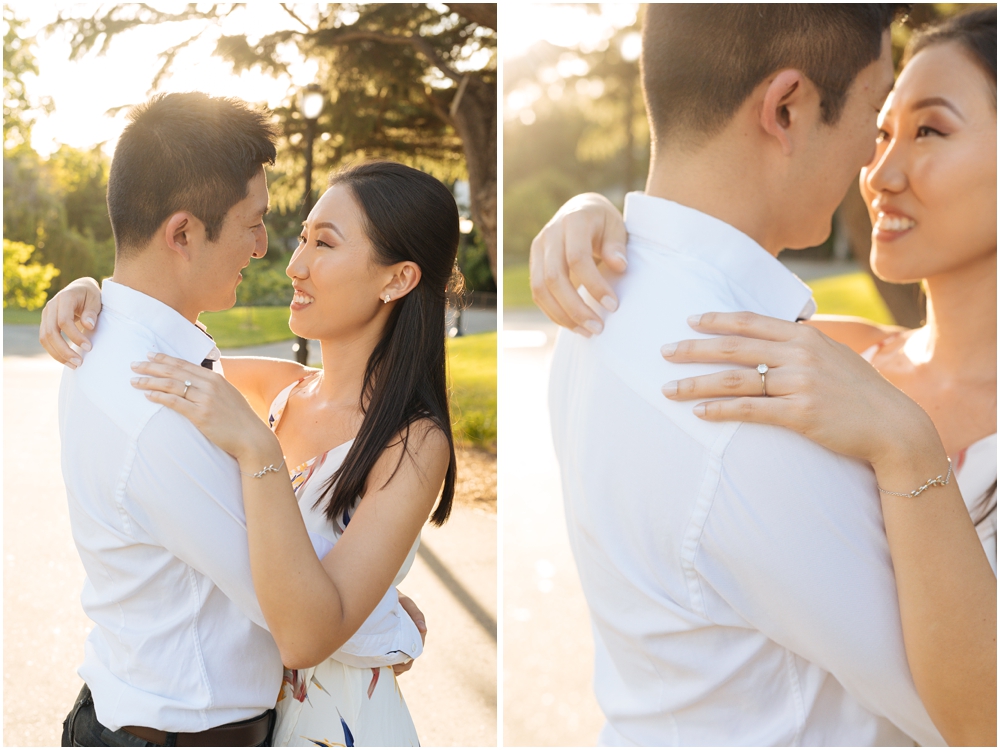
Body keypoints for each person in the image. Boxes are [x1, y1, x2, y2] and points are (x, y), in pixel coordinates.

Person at [533, 8, 997, 744]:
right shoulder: (777, 373)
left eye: (929, 130)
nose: (876, 172)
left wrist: (907, 443)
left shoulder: (742, 345)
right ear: (786, 110)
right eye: (876, 125)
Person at [46, 93, 451, 747]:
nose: (282, 257)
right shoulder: (237, 394)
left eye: (323, 242)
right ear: (183, 233)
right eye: (282, 231)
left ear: (397, 279)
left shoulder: (396, 435)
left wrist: (97, 296)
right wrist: (386, 622)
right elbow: (303, 620)